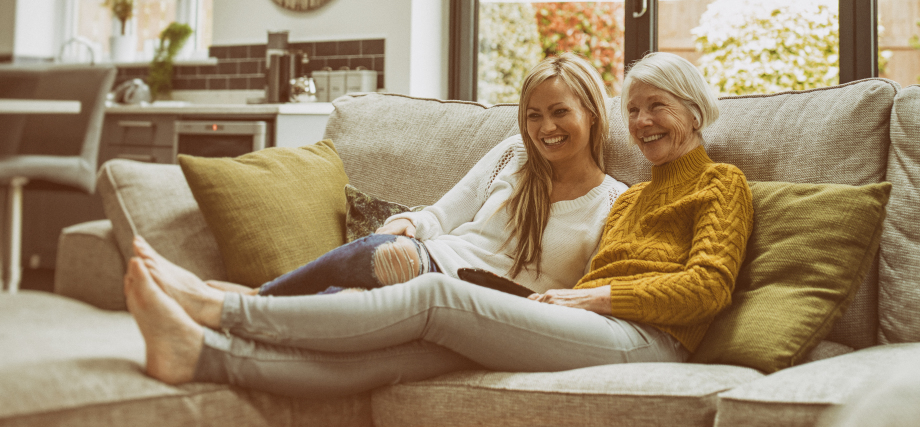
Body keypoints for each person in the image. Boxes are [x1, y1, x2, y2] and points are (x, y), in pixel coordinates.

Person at [124, 51, 754, 398]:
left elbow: (707, 288)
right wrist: (584, 298)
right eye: (635, 109)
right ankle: (203, 359)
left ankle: (224, 313)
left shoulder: (720, 184)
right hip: (587, 319)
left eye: (658, 108)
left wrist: (595, 295)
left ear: (695, 111)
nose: (643, 122)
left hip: (644, 334)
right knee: (398, 357)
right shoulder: (635, 197)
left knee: (432, 293)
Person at [217, 52, 628, 297]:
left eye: (560, 113)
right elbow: (441, 216)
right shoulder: (514, 155)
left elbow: (586, 293)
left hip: (491, 304)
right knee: (349, 293)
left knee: (374, 276)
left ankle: (251, 301)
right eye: (534, 116)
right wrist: (408, 222)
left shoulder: (614, 202)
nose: (546, 129)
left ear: (592, 114)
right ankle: (251, 306)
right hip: (436, 264)